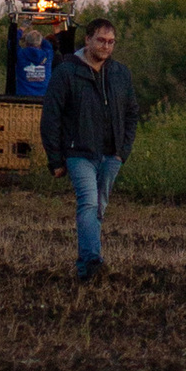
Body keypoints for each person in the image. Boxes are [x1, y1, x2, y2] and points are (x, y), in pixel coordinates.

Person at [40, 16, 137, 283]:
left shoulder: (120, 74)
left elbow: (131, 114)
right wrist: (55, 159)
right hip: (78, 152)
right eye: (101, 41)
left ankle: (85, 269)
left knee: (99, 208)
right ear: (88, 40)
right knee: (89, 202)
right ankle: (93, 260)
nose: (106, 46)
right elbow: (51, 117)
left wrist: (122, 151)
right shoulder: (67, 71)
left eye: (111, 42)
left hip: (111, 154)